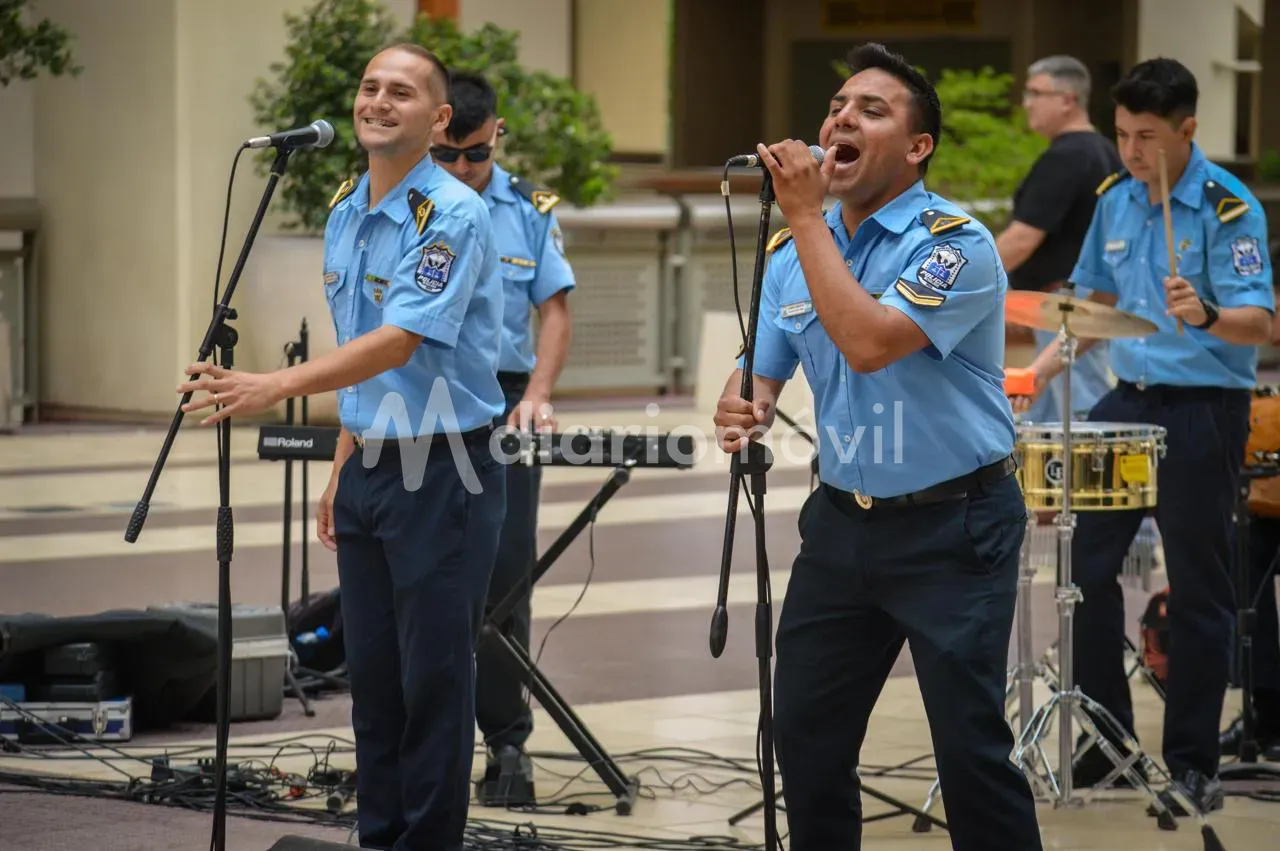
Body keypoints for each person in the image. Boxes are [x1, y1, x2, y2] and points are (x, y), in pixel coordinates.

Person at [713, 43, 1043, 851]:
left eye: (871, 109)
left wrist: (799, 216)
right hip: (841, 525)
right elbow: (760, 370)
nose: (839, 120)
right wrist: (740, 404)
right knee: (806, 737)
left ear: (918, 146)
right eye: (836, 107)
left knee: (970, 750)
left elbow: (866, 342)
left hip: (954, 527)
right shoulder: (797, 248)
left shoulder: (953, 243)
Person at [178, 43, 508, 850]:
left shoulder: (453, 214)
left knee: (433, 681)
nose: (378, 101)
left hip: (445, 469)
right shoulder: (345, 208)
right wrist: (341, 465)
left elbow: (398, 342)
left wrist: (272, 388)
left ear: (437, 121)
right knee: (375, 680)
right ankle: (378, 835)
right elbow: (361, 345)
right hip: (371, 467)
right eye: (369, 87)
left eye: (402, 92)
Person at [1046, 57, 1274, 813]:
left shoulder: (1228, 206)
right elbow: (1094, 301)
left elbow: (1260, 322)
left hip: (1204, 402)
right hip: (1128, 394)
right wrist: (1042, 360)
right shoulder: (1115, 199)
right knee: (1081, 561)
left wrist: (1205, 313)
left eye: (1146, 136)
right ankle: (1107, 739)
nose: (1133, 151)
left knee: (1201, 581)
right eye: (1122, 134)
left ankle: (1193, 763)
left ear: (1187, 130)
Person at [430, 70, 576, 805]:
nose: (461, 170)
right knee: (419, 579)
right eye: (448, 155)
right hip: (420, 403)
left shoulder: (529, 210)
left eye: (475, 156)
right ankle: (423, 746)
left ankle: (506, 744)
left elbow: (554, 310)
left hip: (505, 402)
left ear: (497, 136)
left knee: (503, 578)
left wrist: (541, 395)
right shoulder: (405, 204)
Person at [1000, 55, 1119, 422]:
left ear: (1067, 99)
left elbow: (1023, 237)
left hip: (1067, 303)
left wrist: (965, 275)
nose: (1026, 103)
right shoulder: (1104, 151)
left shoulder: (1068, 156)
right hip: (1084, 302)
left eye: (1036, 93)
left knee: (1073, 418)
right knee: (1051, 421)